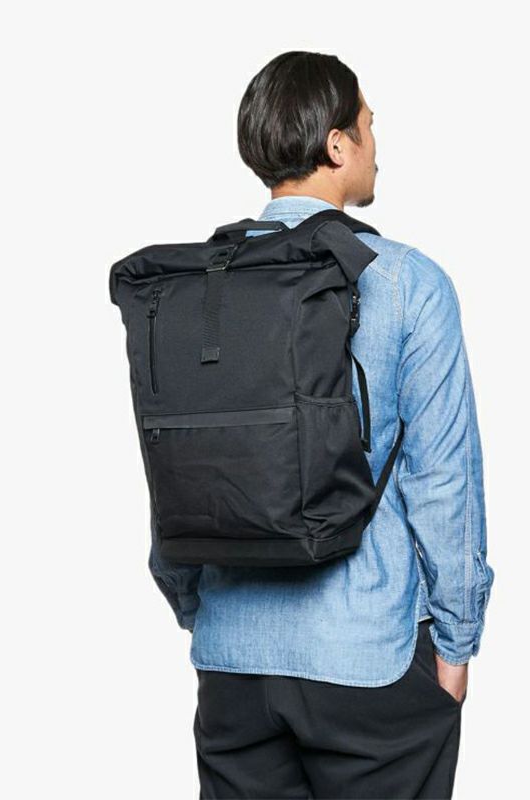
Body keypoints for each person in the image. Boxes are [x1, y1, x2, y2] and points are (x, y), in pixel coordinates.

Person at [152, 51, 495, 799]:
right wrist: (457, 642)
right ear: (338, 145)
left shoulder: (197, 287)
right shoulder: (406, 282)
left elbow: (179, 458)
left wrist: (201, 608)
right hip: (367, 655)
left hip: (234, 662)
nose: (376, 144)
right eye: (369, 125)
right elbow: (444, 480)